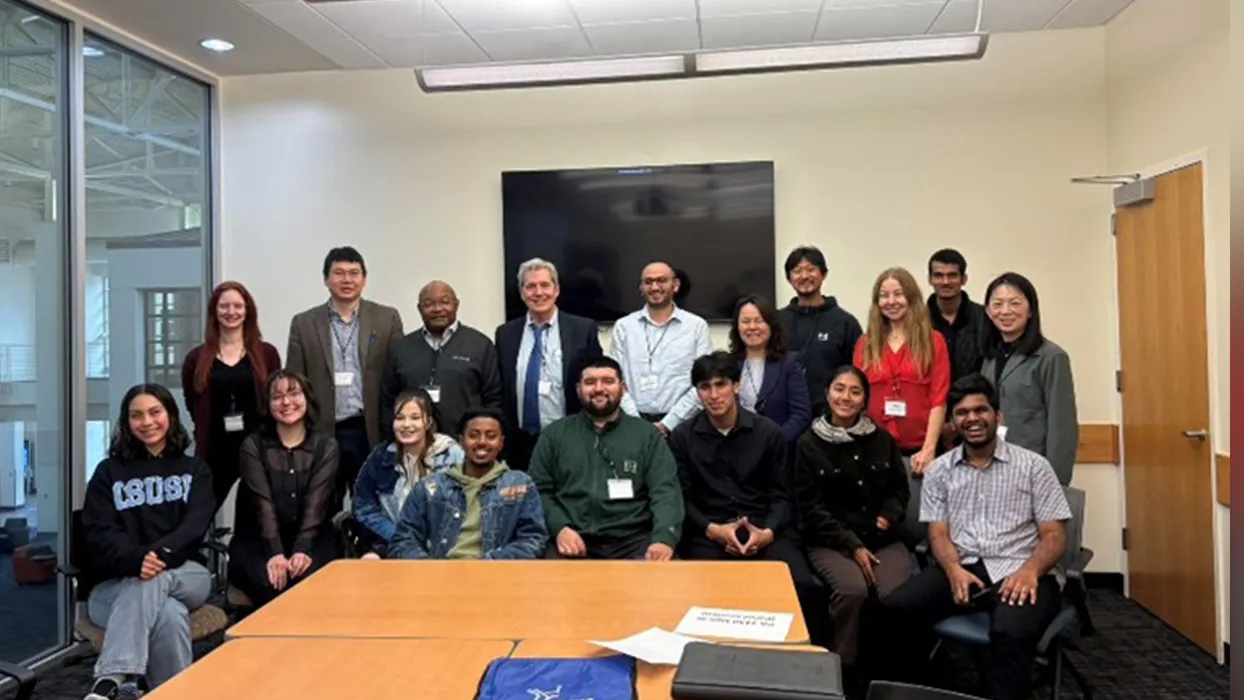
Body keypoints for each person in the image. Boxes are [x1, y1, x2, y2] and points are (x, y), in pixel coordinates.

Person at [883, 374, 1071, 700]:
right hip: (963, 563)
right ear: (953, 423)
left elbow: (1055, 535)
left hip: (1022, 569)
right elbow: (938, 533)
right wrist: (953, 569)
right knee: (895, 610)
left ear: (998, 417)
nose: (971, 418)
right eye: (962, 413)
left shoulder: (1033, 466)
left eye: (980, 410)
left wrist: (1030, 571)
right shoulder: (940, 470)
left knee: (1009, 632)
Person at [81, 384, 215, 700]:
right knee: (168, 614)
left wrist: (156, 556)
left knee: (155, 581)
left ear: (170, 415)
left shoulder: (195, 469)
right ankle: (175, 694)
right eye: (136, 415)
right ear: (126, 423)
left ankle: (109, 678)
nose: (147, 421)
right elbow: (98, 533)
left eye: (155, 412)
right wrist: (135, 560)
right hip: (113, 589)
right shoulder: (107, 473)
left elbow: (194, 527)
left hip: (185, 575)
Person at [669, 352, 820, 618]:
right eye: (705, 387)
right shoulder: (683, 437)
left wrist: (767, 533)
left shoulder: (769, 433)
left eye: (721, 385)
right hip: (709, 531)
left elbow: (783, 495)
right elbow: (682, 498)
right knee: (696, 590)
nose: (714, 395)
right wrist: (713, 530)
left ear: (737, 386)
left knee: (801, 586)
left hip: (765, 527)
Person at [795, 366, 910, 681]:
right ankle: (843, 669)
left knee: (896, 596)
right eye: (839, 388)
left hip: (881, 537)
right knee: (852, 590)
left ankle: (889, 672)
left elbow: (900, 490)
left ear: (865, 401)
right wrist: (853, 545)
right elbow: (811, 508)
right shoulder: (808, 444)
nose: (845, 397)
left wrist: (889, 515)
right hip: (831, 540)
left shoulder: (882, 439)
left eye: (855, 391)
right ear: (827, 393)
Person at [529, 357, 684, 560]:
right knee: (543, 586)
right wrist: (560, 529)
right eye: (590, 382)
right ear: (578, 389)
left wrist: (664, 539)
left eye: (608, 381)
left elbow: (666, 492)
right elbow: (538, 491)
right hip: (572, 537)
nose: (599, 389)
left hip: (634, 540)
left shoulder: (647, 435)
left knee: (667, 583)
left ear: (623, 388)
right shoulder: (555, 435)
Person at [286, 246, 404, 507]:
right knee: (323, 505)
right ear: (326, 279)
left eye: (354, 273)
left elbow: (397, 375)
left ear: (364, 279)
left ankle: (370, 550)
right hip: (322, 430)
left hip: (370, 428)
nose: (347, 280)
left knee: (374, 504)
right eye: (339, 273)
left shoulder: (387, 318)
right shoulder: (304, 323)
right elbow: (294, 382)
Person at [853, 267, 950, 544]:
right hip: (875, 451)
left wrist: (929, 449)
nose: (891, 301)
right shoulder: (865, 343)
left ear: (911, 298)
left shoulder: (934, 342)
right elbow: (856, 399)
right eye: (883, 295)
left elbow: (938, 398)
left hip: (918, 455)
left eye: (898, 294)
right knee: (880, 524)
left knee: (918, 526)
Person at [228, 370, 341, 607]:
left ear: (307, 398)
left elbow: (316, 505)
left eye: (293, 393)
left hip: (313, 537)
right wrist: (275, 553)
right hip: (258, 540)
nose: (286, 402)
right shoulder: (253, 446)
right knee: (271, 584)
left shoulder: (326, 446)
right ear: (268, 405)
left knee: (310, 583)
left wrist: (302, 549)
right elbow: (262, 505)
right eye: (277, 397)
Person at [387, 407, 548, 559]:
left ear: (501, 443)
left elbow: (533, 539)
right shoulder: (431, 486)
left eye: (491, 436)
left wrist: (491, 562)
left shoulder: (519, 485)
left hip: (497, 575)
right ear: (461, 441)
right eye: (474, 435)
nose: (482, 442)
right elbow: (403, 540)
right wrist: (430, 567)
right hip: (439, 576)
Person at [181, 281, 281, 511]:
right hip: (214, 449)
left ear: (247, 310)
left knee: (260, 517)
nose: (231, 312)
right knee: (199, 513)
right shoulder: (196, 359)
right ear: (214, 311)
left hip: (258, 447)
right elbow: (192, 404)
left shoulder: (267, 354)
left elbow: (275, 399)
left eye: (238, 306)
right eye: (224, 306)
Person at [495, 258, 603, 470]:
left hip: (570, 437)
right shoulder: (506, 334)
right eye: (531, 286)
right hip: (521, 442)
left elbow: (594, 382)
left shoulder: (582, 329)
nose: (538, 292)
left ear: (556, 289)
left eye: (545, 285)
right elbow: (502, 387)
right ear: (522, 292)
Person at [980, 272, 1079, 485]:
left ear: (1031, 310)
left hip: (1033, 471)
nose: (1005, 311)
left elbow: (1062, 426)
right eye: (997, 304)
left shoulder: (1051, 357)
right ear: (988, 311)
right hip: (992, 468)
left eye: (1014, 303)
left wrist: (1056, 481)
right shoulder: (989, 358)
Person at [382, 280, 503, 443]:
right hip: (414, 447)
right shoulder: (401, 349)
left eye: (445, 302)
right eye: (429, 304)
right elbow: (388, 401)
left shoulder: (480, 345)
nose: (437, 309)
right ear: (419, 309)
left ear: (456, 304)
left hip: (466, 448)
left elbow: (494, 399)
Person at [353, 391, 463, 558]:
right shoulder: (381, 457)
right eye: (400, 418)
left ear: (428, 422)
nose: (406, 424)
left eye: (415, 417)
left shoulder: (453, 455)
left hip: (443, 548)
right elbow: (363, 506)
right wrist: (399, 537)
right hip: (393, 543)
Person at [610, 261, 712, 436]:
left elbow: (703, 382)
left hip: (684, 425)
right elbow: (615, 381)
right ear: (641, 288)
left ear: (676, 285)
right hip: (631, 425)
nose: (655, 287)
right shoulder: (623, 327)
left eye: (662, 280)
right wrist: (637, 423)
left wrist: (668, 423)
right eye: (648, 282)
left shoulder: (696, 327)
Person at [778, 246, 864, 419]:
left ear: (823, 274)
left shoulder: (845, 322)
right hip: (784, 416)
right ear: (789, 278)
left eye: (811, 269)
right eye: (797, 271)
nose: (804, 276)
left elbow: (858, 374)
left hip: (831, 418)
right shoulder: (776, 321)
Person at [728, 294, 812, 443]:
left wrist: (774, 442)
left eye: (759, 321)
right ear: (737, 327)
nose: (752, 327)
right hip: (736, 449)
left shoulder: (789, 363)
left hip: (777, 449)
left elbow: (801, 415)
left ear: (771, 325)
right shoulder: (729, 363)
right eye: (745, 321)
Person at [927, 249, 987, 383]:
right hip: (928, 400)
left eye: (952, 275)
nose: (945, 281)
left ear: (964, 279)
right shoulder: (916, 320)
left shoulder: (985, 318)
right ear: (930, 279)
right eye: (938, 275)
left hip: (973, 399)